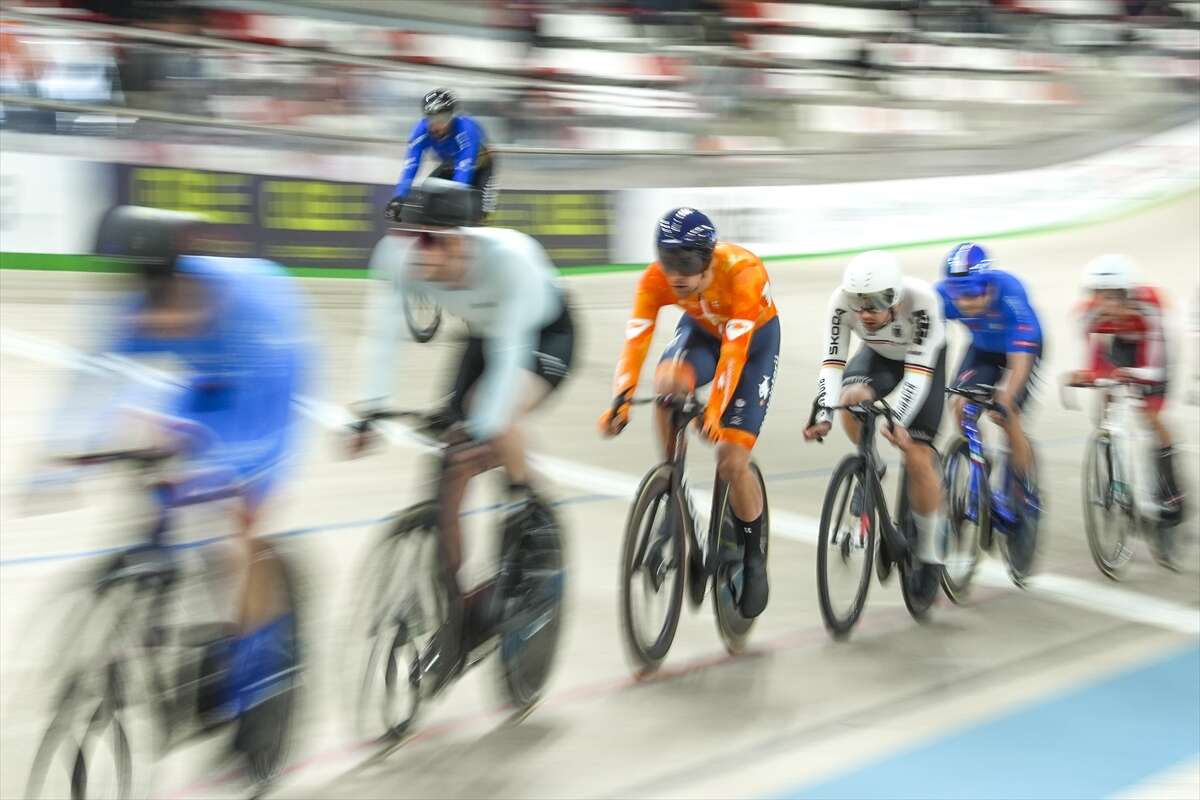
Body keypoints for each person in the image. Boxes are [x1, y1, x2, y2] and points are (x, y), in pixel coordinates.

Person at [70, 205, 309, 725]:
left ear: (182, 271)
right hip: (208, 383)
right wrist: (68, 458)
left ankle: (255, 665)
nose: (147, 299)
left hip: (268, 384)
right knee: (149, 455)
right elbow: (94, 377)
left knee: (242, 519)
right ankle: (157, 574)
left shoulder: (248, 305)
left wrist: (219, 471)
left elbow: (260, 427)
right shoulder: (141, 302)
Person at [351, 177, 575, 691]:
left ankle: (526, 511)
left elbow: (511, 358)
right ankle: (454, 618)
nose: (415, 253)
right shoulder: (400, 258)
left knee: (488, 415)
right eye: (410, 238)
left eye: (428, 240)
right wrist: (368, 410)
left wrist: (482, 429)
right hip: (483, 334)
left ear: (460, 239)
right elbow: (380, 334)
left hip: (543, 332)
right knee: (446, 470)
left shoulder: (512, 261)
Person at [597, 208, 779, 619]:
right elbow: (637, 340)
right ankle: (670, 482)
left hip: (753, 345)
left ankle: (753, 556)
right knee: (666, 386)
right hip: (701, 334)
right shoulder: (655, 279)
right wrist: (620, 398)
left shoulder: (744, 274)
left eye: (688, 262)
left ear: (709, 258)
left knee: (732, 460)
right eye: (667, 259)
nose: (676, 274)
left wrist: (715, 410)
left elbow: (735, 353)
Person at [803, 250, 947, 572]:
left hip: (923, 363)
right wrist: (824, 415)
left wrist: (899, 420)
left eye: (879, 301)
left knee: (917, 455)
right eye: (858, 302)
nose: (866, 312)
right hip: (880, 355)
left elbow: (917, 377)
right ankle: (873, 464)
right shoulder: (840, 302)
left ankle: (929, 551)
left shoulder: (923, 302)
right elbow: (832, 364)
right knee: (851, 397)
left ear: (896, 297)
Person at [1066, 254, 1183, 523]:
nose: (1105, 304)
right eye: (1099, 295)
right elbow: (1090, 353)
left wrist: (1133, 375)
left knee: (1150, 416)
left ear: (1129, 294)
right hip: (1120, 343)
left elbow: (1154, 367)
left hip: (1152, 347)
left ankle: (1170, 489)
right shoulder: (1087, 312)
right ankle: (1115, 478)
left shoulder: (1150, 307)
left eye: (1114, 296)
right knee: (1105, 404)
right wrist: (1088, 375)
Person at [936, 242, 1043, 483]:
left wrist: (1007, 394)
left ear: (988, 286)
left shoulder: (1010, 292)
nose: (964, 303)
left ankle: (1022, 486)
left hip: (1022, 350)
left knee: (1005, 412)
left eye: (971, 294)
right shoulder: (942, 296)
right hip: (983, 349)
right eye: (957, 295)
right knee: (961, 404)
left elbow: (1020, 358)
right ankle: (980, 461)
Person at [384, 88, 496, 223]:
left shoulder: (466, 129)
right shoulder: (420, 131)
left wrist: (455, 201)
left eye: (442, 118)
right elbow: (411, 166)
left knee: (473, 214)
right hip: (451, 165)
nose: (436, 124)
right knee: (427, 199)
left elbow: (464, 169)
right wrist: (399, 197)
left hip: (481, 167)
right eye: (431, 118)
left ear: (452, 116)